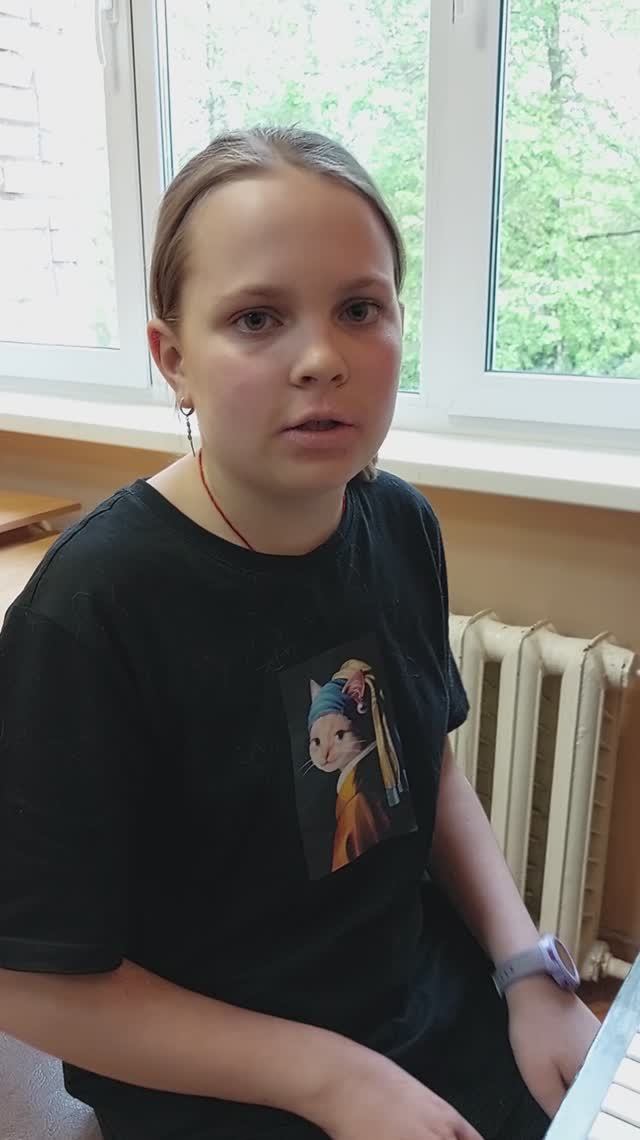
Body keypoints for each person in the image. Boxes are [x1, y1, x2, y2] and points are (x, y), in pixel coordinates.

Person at [0, 126, 598, 1140]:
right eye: (257, 318)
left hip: (413, 1001)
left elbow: (426, 765)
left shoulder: (399, 522)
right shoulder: (94, 608)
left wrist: (524, 967)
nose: (322, 359)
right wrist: (333, 1081)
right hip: (220, 1077)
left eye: (359, 309)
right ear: (173, 358)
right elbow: (29, 980)